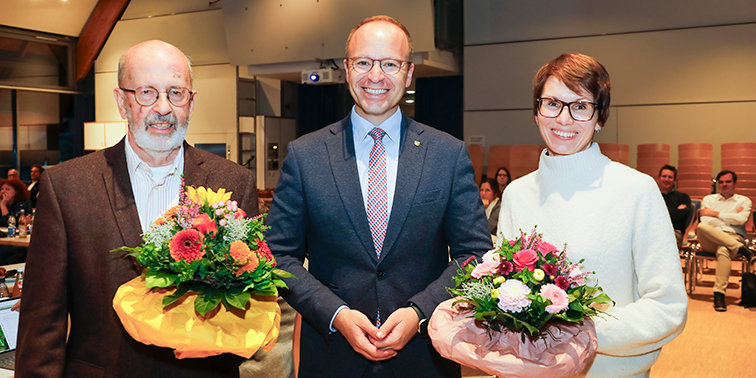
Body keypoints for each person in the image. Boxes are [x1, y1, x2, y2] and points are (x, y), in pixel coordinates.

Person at [16, 40, 294, 378]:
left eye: (175, 92)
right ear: (121, 101)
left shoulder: (234, 181)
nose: (163, 108)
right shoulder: (67, 186)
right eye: (146, 92)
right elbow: (42, 320)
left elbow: (252, 296)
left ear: (191, 103)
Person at [265, 15, 491, 378]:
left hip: (424, 357)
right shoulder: (306, 155)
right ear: (346, 68)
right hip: (331, 357)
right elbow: (277, 254)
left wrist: (420, 311)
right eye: (364, 63)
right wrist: (336, 314)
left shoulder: (447, 154)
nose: (375, 76)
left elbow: (475, 254)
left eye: (390, 64)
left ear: (409, 72)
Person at [497, 53, 687, 377]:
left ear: (600, 118)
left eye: (581, 106)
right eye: (552, 104)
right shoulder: (517, 193)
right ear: (536, 112)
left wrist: (583, 332)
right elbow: (506, 292)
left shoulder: (636, 190)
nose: (564, 119)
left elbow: (667, 307)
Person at [697, 170, 756, 312]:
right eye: (721, 182)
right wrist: (731, 216)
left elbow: (741, 219)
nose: (724, 184)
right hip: (710, 238)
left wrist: (715, 214)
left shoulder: (744, 200)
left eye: (728, 181)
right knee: (701, 226)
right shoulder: (708, 199)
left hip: (733, 236)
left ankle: (719, 295)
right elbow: (705, 220)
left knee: (724, 250)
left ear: (734, 183)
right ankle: (743, 250)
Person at [657, 165, 692, 248]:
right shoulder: (652, 195)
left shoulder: (683, 197)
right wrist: (675, 211)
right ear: (659, 178)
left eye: (670, 177)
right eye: (664, 176)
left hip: (674, 232)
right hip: (653, 230)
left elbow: (682, 217)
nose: (666, 179)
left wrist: (659, 211)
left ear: (675, 180)